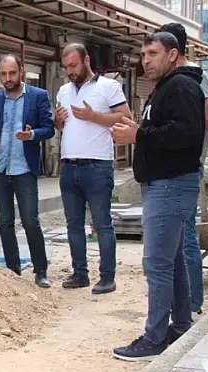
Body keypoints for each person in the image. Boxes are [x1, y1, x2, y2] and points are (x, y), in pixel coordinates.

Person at [111, 32, 205, 361]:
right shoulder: (167, 87)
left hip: (170, 184)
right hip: (165, 183)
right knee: (173, 260)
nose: (145, 60)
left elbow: (187, 134)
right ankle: (179, 326)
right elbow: (169, 132)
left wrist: (138, 133)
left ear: (173, 54)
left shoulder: (180, 86)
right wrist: (138, 133)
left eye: (153, 53)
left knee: (157, 263)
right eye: (143, 54)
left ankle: (154, 338)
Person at [54, 43, 132, 294]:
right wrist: (58, 119)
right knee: (73, 224)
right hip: (68, 165)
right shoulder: (63, 90)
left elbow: (125, 117)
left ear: (86, 60)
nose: (70, 71)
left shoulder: (109, 86)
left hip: (97, 165)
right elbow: (59, 126)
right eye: (66, 67)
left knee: (101, 223)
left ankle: (107, 277)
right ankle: (80, 273)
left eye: (74, 65)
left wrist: (94, 116)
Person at [157, 22, 208, 316]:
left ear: (173, 50)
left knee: (186, 237)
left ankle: (192, 302)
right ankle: (181, 305)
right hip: (170, 169)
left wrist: (179, 126)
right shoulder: (172, 79)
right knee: (177, 239)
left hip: (186, 167)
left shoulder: (193, 76)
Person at [0, 54, 54, 288]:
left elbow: (48, 128)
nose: (8, 78)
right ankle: (13, 269)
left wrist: (31, 135)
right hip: (0, 168)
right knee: (5, 221)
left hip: (24, 168)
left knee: (30, 220)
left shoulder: (38, 96)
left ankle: (40, 271)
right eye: (3, 74)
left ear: (21, 72)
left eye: (12, 73)